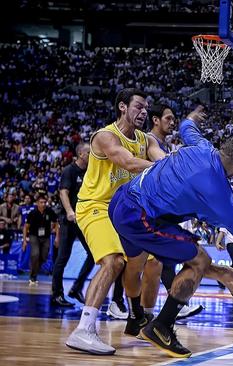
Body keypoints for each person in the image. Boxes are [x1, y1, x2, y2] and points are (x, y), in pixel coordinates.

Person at [108, 108, 233, 358]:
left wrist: (192, 118)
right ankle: (162, 325)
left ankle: (135, 318)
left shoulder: (203, 147)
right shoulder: (221, 195)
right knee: (200, 260)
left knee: (137, 263)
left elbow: (187, 128)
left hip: (119, 200)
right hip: (138, 216)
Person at [65, 88, 167, 355]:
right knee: (114, 261)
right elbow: (129, 162)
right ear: (123, 107)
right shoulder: (105, 136)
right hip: (95, 207)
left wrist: (178, 165)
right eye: (138, 107)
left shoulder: (146, 139)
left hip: (124, 212)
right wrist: (166, 169)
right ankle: (83, 329)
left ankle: (139, 316)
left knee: (153, 261)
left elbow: (161, 157)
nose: (144, 112)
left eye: (146, 108)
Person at [147, 103, 203, 320]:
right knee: (142, 262)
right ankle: (133, 310)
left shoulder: (165, 144)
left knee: (160, 261)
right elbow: (165, 166)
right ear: (156, 120)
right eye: (169, 119)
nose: (172, 123)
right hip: (143, 208)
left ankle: (147, 312)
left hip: (157, 210)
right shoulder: (149, 140)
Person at [50, 143, 95, 307]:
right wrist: (69, 211)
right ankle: (56, 294)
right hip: (69, 220)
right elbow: (63, 192)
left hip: (83, 220)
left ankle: (76, 288)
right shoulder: (69, 170)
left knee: (93, 255)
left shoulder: (90, 171)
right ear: (81, 154)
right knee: (62, 258)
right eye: (89, 152)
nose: (92, 155)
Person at [22, 194, 59, 285]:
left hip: (46, 237)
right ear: (37, 203)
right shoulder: (32, 213)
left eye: (44, 202)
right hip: (34, 236)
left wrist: (57, 237)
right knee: (35, 254)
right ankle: (33, 276)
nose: (43, 204)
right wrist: (24, 241)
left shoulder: (50, 211)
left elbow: (56, 223)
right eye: (41, 202)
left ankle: (34, 271)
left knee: (44, 257)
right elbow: (25, 227)